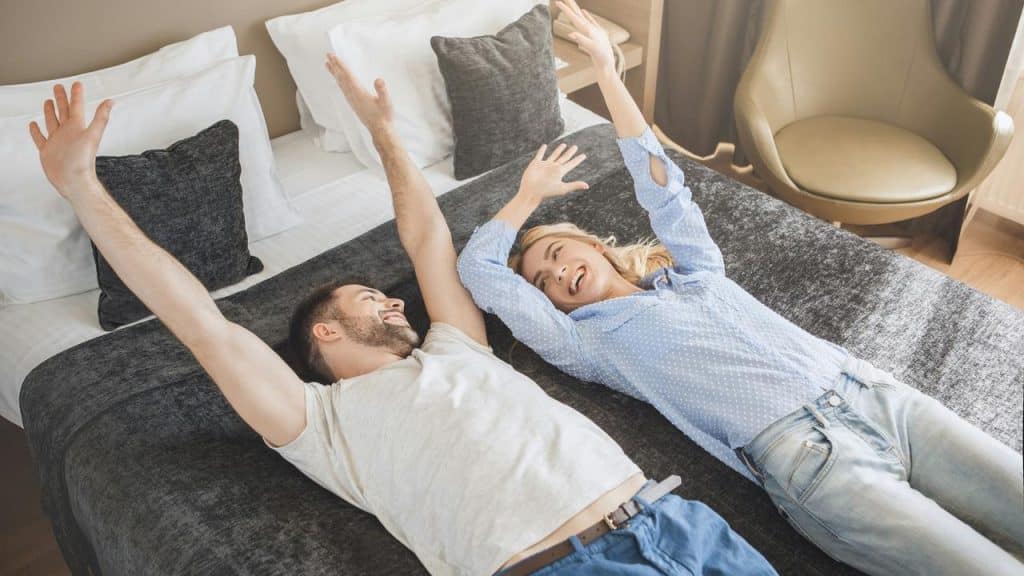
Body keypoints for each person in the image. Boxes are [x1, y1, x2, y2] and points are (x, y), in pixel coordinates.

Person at [26, 54, 776, 575]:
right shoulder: (314, 422)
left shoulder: (456, 349)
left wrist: (383, 129)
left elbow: (426, 242)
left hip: (673, 520)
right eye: (367, 300)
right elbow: (201, 323)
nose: (393, 300)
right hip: (567, 566)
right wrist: (85, 191)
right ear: (323, 331)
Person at [455, 1, 1024, 575]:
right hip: (813, 463)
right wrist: (527, 197)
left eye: (555, 254)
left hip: (874, 394)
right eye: (543, 285)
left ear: (595, 245)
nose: (555, 276)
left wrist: (607, 71)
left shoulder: (696, 270)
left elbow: (664, 186)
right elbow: (481, 270)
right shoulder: (587, 345)